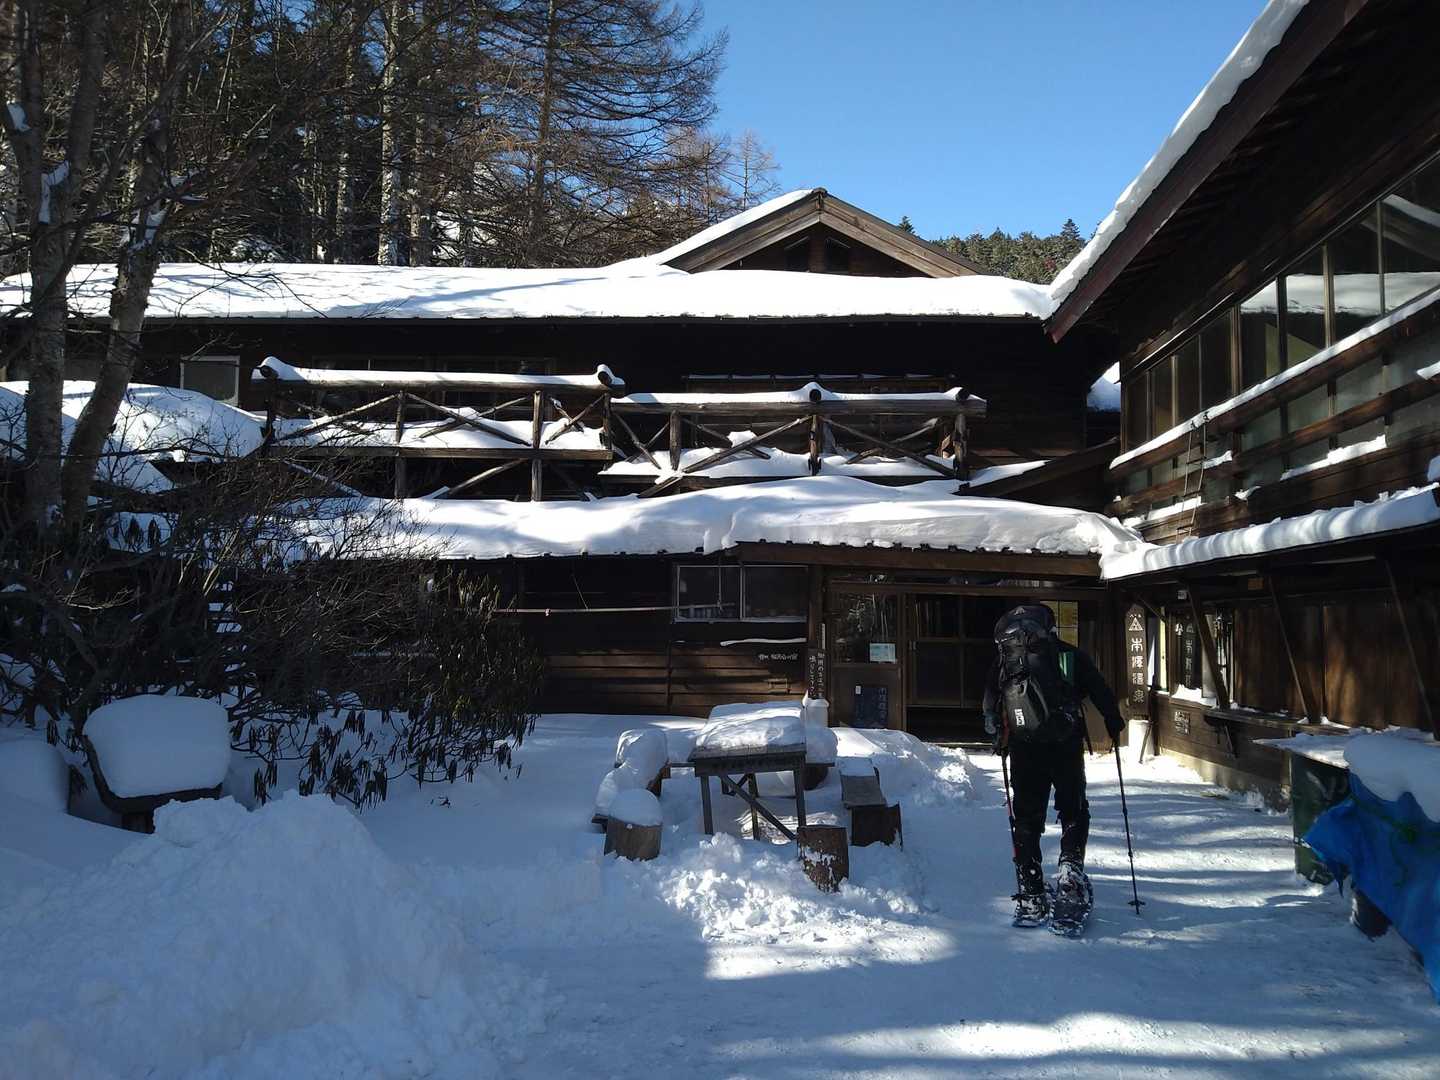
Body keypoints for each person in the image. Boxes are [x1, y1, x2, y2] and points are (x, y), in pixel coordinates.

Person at [982, 603, 1125, 930]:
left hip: (1024, 748)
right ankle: (1070, 876)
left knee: (1026, 816)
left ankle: (1031, 890)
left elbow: (990, 700)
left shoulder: (1006, 659)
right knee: (1073, 809)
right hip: (1065, 745)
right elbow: (1099, 689)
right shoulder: (1068, 656)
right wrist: (1113, 720)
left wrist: (995, 732)